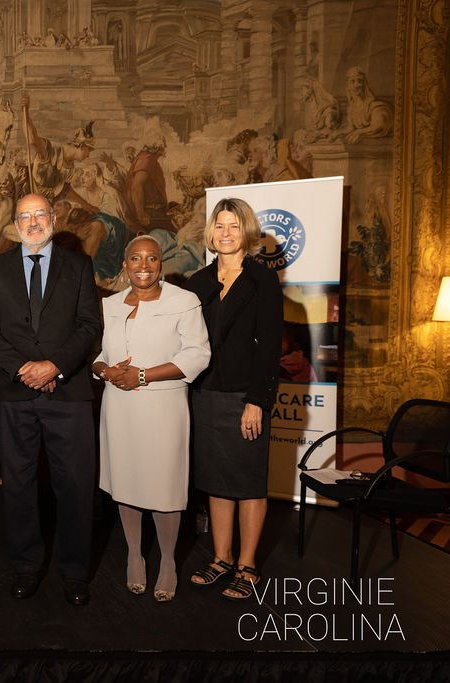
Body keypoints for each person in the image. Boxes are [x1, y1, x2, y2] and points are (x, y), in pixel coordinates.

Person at [0, 193, 101, 606]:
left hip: (69, 394)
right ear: (15, 222)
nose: (32, 222)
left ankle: (75, 572)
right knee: (18, 485)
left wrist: (54, 367)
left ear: (54, 218)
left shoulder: (79, 266)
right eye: (24, 216)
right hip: (14, 394)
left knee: (76, 487)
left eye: (39, 214)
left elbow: (89, 327)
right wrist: (25, 369)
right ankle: (27, 567)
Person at [91, 235, 210, 602]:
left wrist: (143, 375)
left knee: (164, 485)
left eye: (152, 259)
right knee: (127, 479)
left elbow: (197, 354)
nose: (144, 266)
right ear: (124, 264)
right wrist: (102, 369)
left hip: (163, 405)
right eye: (135, 259)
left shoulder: (184, 300)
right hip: (119, 406)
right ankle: (133, 554)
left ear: (161, 264)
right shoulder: (109, 304)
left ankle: (170, 561)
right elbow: (101, 353)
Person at [185, 197, 282, 600]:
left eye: (234, 226)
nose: (226, 234)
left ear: (247, 232)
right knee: (216, 481)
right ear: (211, 232)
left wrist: (257, 400)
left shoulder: (262, 279)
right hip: (206, 394)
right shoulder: (198, 281)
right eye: (220, 226)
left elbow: (270, 346)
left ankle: (247, 565)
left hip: (246, 396)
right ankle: (221, 559)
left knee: (248, 481)